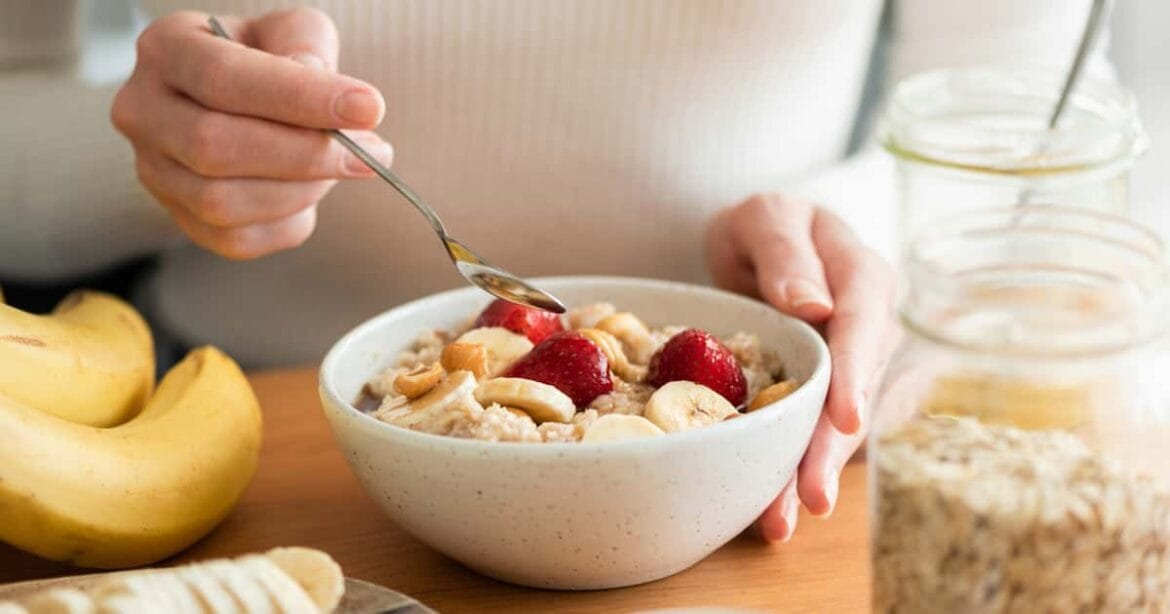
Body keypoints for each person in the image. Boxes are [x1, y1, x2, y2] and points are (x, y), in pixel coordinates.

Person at [0, 0, 1153, 544]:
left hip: (759, 474)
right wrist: (160, 154)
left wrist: (846, 231)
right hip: (256, 457)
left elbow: (1038, 114)